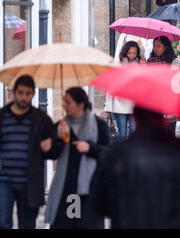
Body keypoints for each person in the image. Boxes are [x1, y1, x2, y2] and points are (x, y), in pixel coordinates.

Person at [45, 87, 110, 229]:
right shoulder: (61, 126)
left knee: (87, 225)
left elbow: (108, 155)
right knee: (69, 223)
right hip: (69, 190)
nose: (64, 105)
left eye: (68, 102)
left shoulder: (99, 126)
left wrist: (90, 148)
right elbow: (51, 154)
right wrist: (59, 139)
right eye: (64, 101)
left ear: (80, 104)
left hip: (90, 191)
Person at [0, 75, 58, 229]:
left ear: (33, 94)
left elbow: (53, 152)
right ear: (14, 93)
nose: (23, 97)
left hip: (30, 182)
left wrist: (50, 147)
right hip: (4, 181)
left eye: (27, 93)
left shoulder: (41, 119)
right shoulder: (2, 117)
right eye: (20, 93)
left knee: (27, 224)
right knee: (2, 222)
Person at [105, 41, 142, 139]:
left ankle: (132, 151)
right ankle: (123, 152)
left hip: (134, 102)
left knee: (134, 130)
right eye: (130, 53)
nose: (132, 55)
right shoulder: (119, 64)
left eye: (134, 53)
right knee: (122, 131)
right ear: (125, 52)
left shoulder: (140, 64)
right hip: (120, 103)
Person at [148, 36, 180, 135]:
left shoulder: (174, 62)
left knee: (169, 133)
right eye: (154, 46)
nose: (156, 49)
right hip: (154, 101)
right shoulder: (150, 61)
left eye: (158, 46)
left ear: (165, 47)